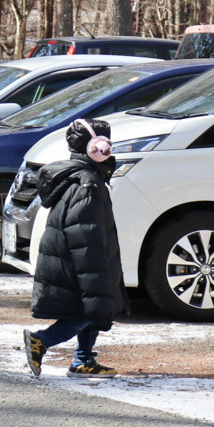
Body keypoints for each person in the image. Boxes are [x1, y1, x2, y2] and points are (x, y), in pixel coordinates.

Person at [22, 118, 128, 378]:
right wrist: (96, 275)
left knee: (92, 312)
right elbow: (85, 237)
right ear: (96, 147)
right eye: (106, 143)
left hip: (69, 259)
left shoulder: (82, 177)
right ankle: (40, 341)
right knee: (86, 312)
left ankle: (83, 360)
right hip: (80, 263)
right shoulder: (88, 184)